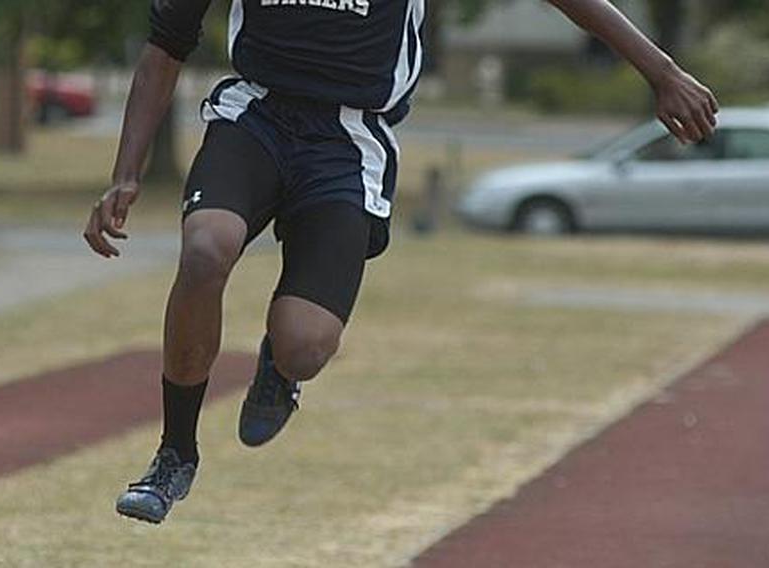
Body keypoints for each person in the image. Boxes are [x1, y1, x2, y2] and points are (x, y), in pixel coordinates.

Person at [83, 0, 719, 525]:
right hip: (256, 118)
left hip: (349, 140)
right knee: (204, 251)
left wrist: (661, 72)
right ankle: (174, 456)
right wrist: (124, 175)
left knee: (306, 343)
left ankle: (282, 365)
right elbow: (165, 47)